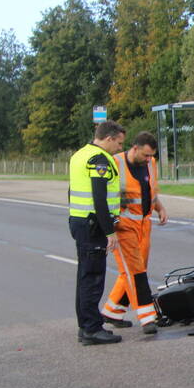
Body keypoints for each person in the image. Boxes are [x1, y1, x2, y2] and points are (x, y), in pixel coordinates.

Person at [101, 131, 168, 334]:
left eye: (151, 156)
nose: (149, 159)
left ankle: (113, 311)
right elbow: (104, 195)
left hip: (144, 224)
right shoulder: (115, 163)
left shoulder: (150, 163)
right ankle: (147, 317)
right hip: (123, 225)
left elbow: (150, 192)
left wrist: (160, 208)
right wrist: (109, 226)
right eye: (146, 155)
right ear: (135, 148)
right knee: (134, 271)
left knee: (137, 268)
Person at [69, 121, 126, 345]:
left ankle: (85, 326)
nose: (120, 148)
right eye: (119, 143)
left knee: (84, 276)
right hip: (93, 225)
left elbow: (71, 191)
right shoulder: (99, 160)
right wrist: (109, 231)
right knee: (93, 278)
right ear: (109, 138)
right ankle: (92, 329)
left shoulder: (79, 155)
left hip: (80, 220)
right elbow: (99, 198)